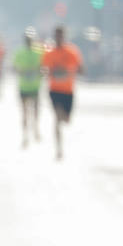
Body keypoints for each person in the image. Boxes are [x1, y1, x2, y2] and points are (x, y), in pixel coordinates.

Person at [41, 26, 84, 160]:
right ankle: (59, 149)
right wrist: (50, 72)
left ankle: (63, 121)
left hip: (68, 91)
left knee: (66, 119)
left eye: (61, 35)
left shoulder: (72, 52)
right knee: (57, 118)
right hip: (54, 90)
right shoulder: (49, 52)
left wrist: (70, 71)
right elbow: (42, 69)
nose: (58, 38)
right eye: (56, 35)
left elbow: (81, 69)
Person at [13, 33, 44, 148]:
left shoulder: (38, 52)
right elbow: (15, 67)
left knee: (35, 110)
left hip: (35, 86)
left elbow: (43, 67)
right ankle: (25, 134)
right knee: (24, 112)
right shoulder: (20, 53)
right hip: (24, 86)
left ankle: (35, 128)